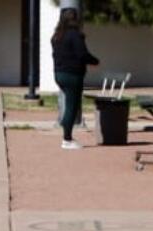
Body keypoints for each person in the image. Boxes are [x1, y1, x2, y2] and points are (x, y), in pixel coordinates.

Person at [51, 7, 99, 150]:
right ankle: (67, 139)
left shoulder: (56, 36)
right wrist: (95, 61)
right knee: (72, 106)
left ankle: (66, 131)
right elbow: (82, 54)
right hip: (73, 75)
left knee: (69, 105)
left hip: (59, 74)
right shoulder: (75, 35)